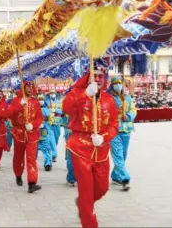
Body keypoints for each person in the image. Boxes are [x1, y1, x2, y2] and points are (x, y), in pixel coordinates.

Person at [62, 62, 119, 228]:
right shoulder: (77, 93)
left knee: (102, 188)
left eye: (101, 76)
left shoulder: (109, 99)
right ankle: (89, 221)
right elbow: (67, 108)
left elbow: (114, 123)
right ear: (88, 78)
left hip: (101, 148)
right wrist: (85, 95)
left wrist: (104, 137)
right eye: (95, 76)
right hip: (80, 148)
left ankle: (83, 204)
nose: (98, 79)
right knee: (86, 192)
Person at [5, 81, 44, 193]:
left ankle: (32, 183)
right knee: (18, 156)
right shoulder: (16, 100)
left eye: (32, 86)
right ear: (23, 87)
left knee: (31, 158)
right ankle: (18, 174)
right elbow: (9, 113)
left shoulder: (36, 102)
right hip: (19, 133)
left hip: (32, 134)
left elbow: (39, 117)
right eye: (28, 86)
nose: (30, 88)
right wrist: (19, 107)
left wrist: (33, 125)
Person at [107, 76, 137, 191]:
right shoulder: (108, 97)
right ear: (112, 85)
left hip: (126, 129)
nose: (118, 85)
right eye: (116, 83)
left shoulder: (127, 97)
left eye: (120, 82)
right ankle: (125, 178)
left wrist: (128, 116)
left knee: (123, 154)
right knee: (118, 154)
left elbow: (133, 110)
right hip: (113, 129)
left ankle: (115, 176)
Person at [37, 94, 53, 171]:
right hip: (35, 129)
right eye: (39, 99)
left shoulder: (47, 109)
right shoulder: (34, 109)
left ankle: (48, 163)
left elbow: (50, 120)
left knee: (46, 146)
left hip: (44, 129)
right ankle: (32, 163)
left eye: (42, 99)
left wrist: (45, 125)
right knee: (34, 147)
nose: (41, 100)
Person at [46, 90, 62, 162]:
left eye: (53, 93)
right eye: (51, 93)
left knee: (56, 137)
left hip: (57, 122)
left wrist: (55, 110)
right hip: (48, 122)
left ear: (56, 94)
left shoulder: (59, 102)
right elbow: (43, 109)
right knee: (49, 139)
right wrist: (49, 110)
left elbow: (62, 111)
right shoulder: (46, 101)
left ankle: (54, 151)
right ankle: (51, 155)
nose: (52, 94)